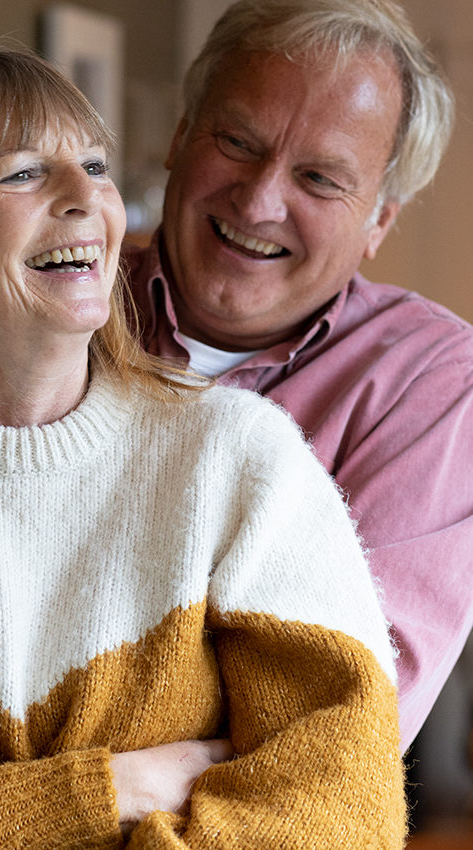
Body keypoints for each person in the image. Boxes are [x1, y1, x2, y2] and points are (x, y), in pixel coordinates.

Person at [0, 45, 405, 847]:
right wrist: (105, 792)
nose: (88, 198)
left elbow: (341, 805)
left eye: (96, 165)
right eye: (23, 173)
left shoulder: (242, 463)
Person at [125, 0, 473, 753]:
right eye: (237, 141)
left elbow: (341, 736)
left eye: (318, 178)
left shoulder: (431, 384)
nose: (258, 200)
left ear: (380, 219)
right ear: (182, 137)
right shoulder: (49, 295)